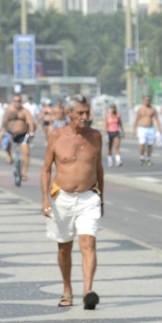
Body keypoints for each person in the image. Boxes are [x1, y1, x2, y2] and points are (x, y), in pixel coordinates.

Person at [41, 94, 104, 310]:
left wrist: (101, 198)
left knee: (88, 243)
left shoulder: (95, 136)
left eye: (87, 112)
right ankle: (67, 289)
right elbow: (46, 169)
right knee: (64, 248)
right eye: (80, 113)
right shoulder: (56, 137)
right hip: (62, 198)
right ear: (69, 113)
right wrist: (44, 199)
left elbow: (99, 169)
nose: (85, 117)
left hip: (89, 197)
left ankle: (88, 292)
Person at [0, 94, 36, 181]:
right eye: (15, 101)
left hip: (23, 134)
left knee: (26, 152)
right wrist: (2, 132)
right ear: (13, 102)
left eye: (19, 101)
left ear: (21, 102)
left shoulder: (25, 111)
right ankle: (9, 155)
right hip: (11, 133)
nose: (17, 103)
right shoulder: (9, 111)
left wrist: (31, 132)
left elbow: (30, 122)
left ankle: (24, 172)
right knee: (6, 145)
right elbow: (4, 123)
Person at [133, 95, 162, 166]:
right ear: (143, 101)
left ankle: (148, 158)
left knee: (150, 144)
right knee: (142, 144)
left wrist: (159, 128)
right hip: (142, 128)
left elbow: (157, 119)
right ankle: (142, 156)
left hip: (151, 128)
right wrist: (134, 129)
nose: (147, 101)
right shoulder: (140, 109)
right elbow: (136, 119)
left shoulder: (152, 109)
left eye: (148, 100)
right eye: (146, 100)